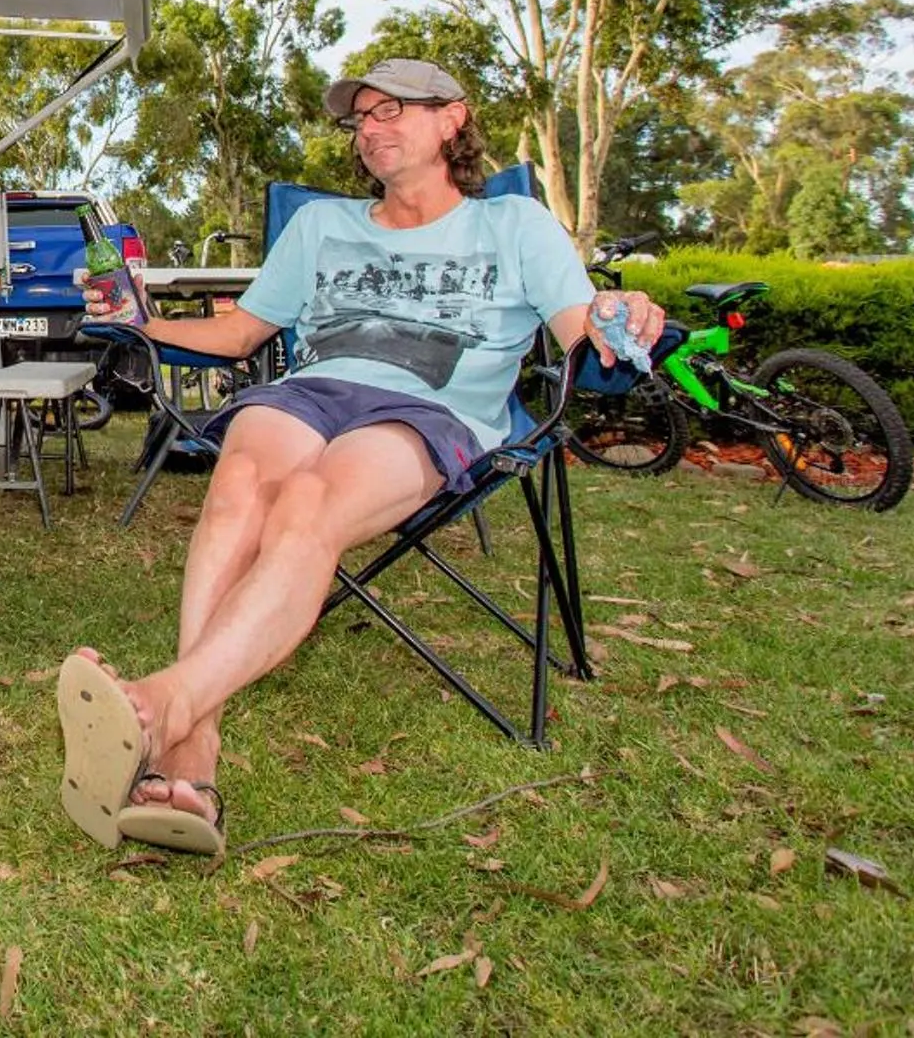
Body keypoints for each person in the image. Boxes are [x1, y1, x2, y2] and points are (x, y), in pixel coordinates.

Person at [55, 59, 665, 855]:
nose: (370, 128)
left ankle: (170, 713)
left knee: (312, 501)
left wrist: (626, 309)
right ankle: (190, 741)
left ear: (453, 118)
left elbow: (584, 326)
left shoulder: (514, 225)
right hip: (313, 391)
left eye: (392, 111)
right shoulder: (320, 227)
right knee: (239, 483)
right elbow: (243, 335)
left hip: (431, 407)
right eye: (360, 118)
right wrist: (142, 322)